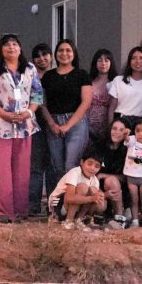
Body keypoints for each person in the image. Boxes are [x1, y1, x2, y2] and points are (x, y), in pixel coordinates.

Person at [0, 33, 43, 223]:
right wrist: (5, 114)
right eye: (6, 45)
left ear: (20, 48)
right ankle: (1, 211)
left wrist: (29, 112)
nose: (11, 48)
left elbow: (37, 95)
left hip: (24, 126)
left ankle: (20, 211)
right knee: (0, 170)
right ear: (2, 49)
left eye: (14, 44)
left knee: (22, 170)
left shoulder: (30, 69)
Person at [107, 46, 142, 216]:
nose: (137, 61)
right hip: (123, 123)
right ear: (129, 61)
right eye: (134, 58)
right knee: (125, 165)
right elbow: (111, 107)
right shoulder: (119, 80)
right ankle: (125, 206)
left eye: (141, 58)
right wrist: (112, 129)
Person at [40, 39, 93, 188]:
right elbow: (42, 103)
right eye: (61, 50)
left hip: (76, 122)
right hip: (53, 123)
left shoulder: (82, 74)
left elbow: (86, 102)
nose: (64, 53)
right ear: (56, 54)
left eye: (68, 50)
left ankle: (71, 205)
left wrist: (68, 125)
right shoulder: (48, 76)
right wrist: (52, 124)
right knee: (57, 165)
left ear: (74, 54)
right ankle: (57, 203)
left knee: (71, 164)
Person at [48, 149, 107, 231]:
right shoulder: (75, 172)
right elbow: (69, 198)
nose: (92, 168)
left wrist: (99, 197)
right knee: (83, 187)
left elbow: (100, 206)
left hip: (72, 206)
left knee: (94, 192)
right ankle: (68, 221)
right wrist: (91, 198)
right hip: (57, 207)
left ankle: (78, 220)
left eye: (97, 166)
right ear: (82, 162)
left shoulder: (95, 180)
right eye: (89, 164)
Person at [28, 43, 55, 216]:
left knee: (53, 167)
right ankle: (33, 205)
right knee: (36, 167)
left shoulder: (57, 75)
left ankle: (52, 205)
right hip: (34, 125)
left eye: (45, 54)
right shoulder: (30, 76)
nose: (42, 58)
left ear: (51, 56)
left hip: (55, 125)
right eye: (37, 55)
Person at [97, 119, 128, 229]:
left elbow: (126, 177)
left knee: (111, 180)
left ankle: (119, 218)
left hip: (120, 190)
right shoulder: (100, 145)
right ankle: (96, 215)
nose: (117, 132)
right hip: (98, 188)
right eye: (114, 128)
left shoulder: (128, 150)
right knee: (101, 206)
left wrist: (104, 175)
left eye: (121, 130)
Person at [87, 49, 117, 144]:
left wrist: (111, 128)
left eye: (106, 60)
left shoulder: (116, 82)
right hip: (87, 128)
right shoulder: (88, 81)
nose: (103, 63)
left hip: (107, 128)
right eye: (100, 60)